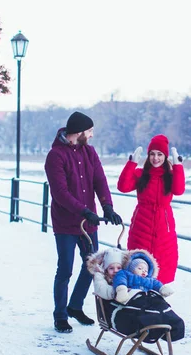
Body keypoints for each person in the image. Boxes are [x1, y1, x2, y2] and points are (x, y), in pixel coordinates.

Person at [44, 111, 123, 334]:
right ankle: (60, 315)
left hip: (88, 223)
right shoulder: (56, 156)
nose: (91, 135)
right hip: (67, 223)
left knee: (92, 266)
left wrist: (107, 206)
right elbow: (60, 192)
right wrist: (84, 210)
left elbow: (99, 179)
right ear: (78, 132)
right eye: (89, 132)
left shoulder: (89, 152)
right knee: (65, 269)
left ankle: (75, 306)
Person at [117, 134, 185, 284]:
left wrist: (178, 166)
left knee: (163, 271)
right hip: (141, 227)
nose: (155, 158)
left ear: (165, 156)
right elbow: (122, 186)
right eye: (152, 154)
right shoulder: (141, 174)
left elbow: (179, 190)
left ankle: (156, 302)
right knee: (137, 270)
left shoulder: (170, 175)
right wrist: (132, 163)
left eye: (160, 154)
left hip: (163, 230)